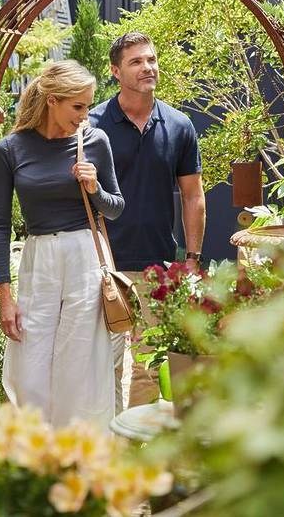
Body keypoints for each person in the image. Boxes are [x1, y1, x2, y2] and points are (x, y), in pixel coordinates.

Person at [0, 60, 124, 427]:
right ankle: (35, 454)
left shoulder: (95, 141)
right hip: (40, 258)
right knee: (29, 363)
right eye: (77, 106)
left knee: (81, 363)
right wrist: (5, 296)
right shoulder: (10, 149)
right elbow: (0, 225)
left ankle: (81, 457)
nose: (85, 116)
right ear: (51, 100)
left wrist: (95, 188)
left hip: (85, 255)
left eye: (87, 106)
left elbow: (116, 209)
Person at [89, 32, 206, 409]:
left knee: (149, 365)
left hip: (158, 266)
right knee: (103, 363)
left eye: (151, 60)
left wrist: (191, 259)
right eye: (136, 62)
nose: (147, 67)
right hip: (102, 265)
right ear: (115, 72)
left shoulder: (179, 125)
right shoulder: (92, 125)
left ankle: (135, 448)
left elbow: (193, 196)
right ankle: (105, 443)